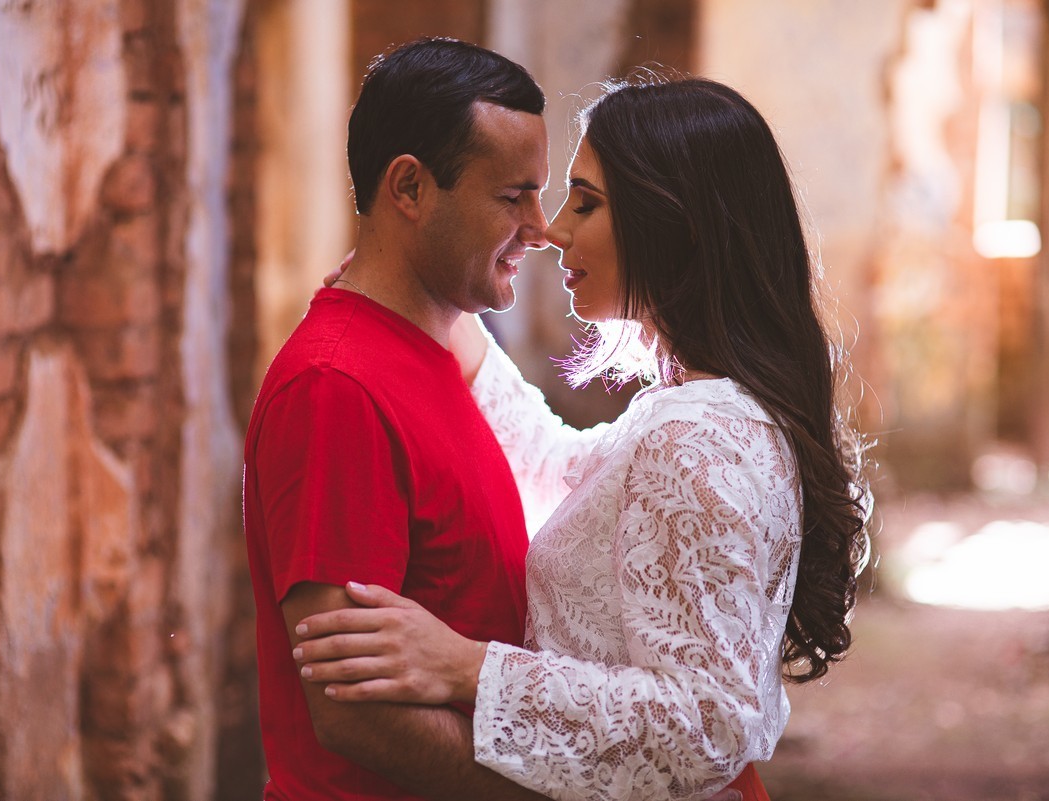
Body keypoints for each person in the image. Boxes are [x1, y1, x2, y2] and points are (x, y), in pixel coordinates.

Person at [294, 77, 872, 801]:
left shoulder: (694, 439)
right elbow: (558, 469)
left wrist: (467, 666)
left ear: (674, 224)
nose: (554, 230)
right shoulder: (705, 410)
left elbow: (711, 722)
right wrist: (440, 311)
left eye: (587, 203)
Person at [243, 37, 558, 801]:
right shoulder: (335, 388)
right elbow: (353, 711)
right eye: (512, 197)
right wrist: (552, 791)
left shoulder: (440, 347)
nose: (540, 226)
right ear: (410, 187)